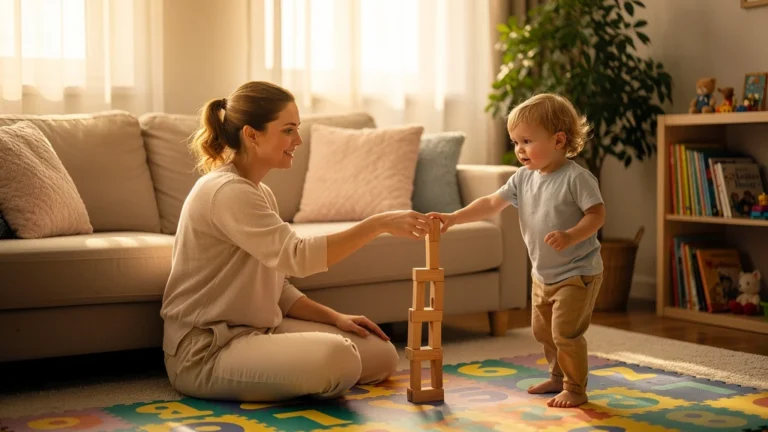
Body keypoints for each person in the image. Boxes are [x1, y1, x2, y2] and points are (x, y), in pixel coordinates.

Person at [160, 81, 433, 402]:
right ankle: (296, 374)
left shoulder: (260, 192)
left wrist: (335, 318)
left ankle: (290, 374)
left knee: (381, 354)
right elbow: (298, 257)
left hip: (260, 332)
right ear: (252, 134)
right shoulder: (226, 191)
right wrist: (378, 224)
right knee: (339, 358)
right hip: (207, 351)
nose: (298, 140)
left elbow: (279, 285)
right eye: (288, 130)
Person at [429, 93, 605, 408]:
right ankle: (557, 376)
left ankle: (576, 387)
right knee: (542, 331)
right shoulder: (522, 178)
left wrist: (570, 236)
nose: (519, 149)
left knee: (565, 331)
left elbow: (597, 215)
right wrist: (454, 217)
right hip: (543, 274)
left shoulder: (577, 178)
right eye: (515, 142)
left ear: (558, 140)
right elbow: (490, 203)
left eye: (526, 140)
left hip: (578, 272)